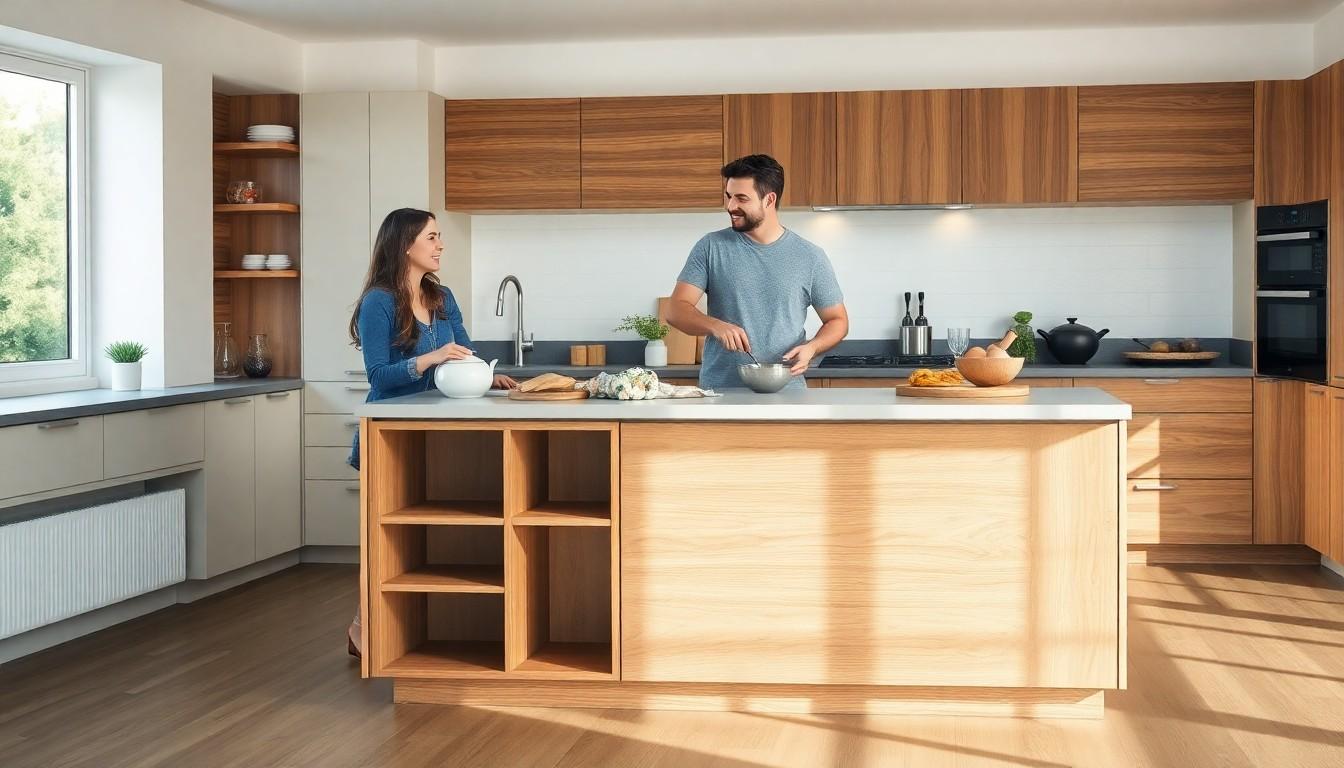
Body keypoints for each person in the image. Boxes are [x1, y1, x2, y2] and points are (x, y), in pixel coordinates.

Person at [343, 208, 517, 657]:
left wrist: (484, 374)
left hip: (437, 434)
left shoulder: (443, 298)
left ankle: (424, 629)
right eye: (433, 237)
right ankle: (362, 627)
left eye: (439, 238)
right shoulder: (379, 302)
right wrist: (430, 357)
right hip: (391, 434)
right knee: (382, 535)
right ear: (405, 244)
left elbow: (464, 354)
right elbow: (379, 376)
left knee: (427, 532)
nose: (440, 245)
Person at [666, 154, 849, 391]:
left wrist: (812, 347)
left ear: (769, 200)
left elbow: (838, 320)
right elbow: (675, 309)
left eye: (741, 198)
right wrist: (716, 326)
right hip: (721, 393)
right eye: (728, 196)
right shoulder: (711, 247)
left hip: (788, 394)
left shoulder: (810, 256)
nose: (731, 206)